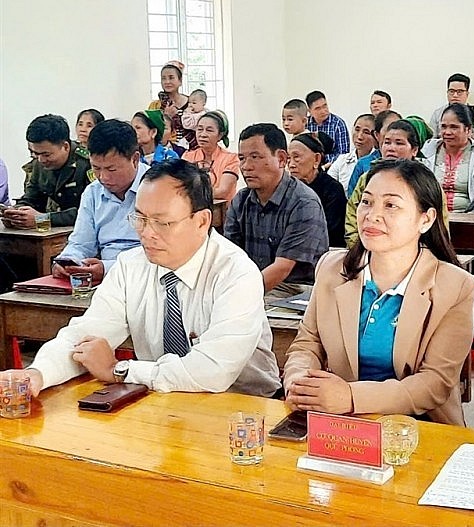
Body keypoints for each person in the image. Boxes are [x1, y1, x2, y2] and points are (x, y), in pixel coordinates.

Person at [4, 160, 281, 398]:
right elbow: (84, 337)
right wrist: (37, 375)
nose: (146, 233)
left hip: (243, 408)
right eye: (140, 219)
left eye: (162, 223)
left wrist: (119, 370)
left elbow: (213, 371)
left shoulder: (236, 273)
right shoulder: (131, 265)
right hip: (159, 400)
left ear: (202, 221)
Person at [283, 159, 474, 425]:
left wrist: (351, 397)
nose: (371, 215)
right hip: (337, 421)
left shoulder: (455, 286)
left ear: (426, 219)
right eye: (367, 202)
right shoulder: (332, 268)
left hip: (418, 426)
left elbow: (434, 383)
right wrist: (299, 382)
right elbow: (308, 344)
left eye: (391, 205)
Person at [225, 123, 328, 297]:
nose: (246, 166)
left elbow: (282, 268)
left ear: (281, 159)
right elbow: (230, 258)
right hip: (252, 283)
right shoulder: (240, 201)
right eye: (242, 158)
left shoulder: (304, 203)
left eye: (255, 157)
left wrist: (239, 296)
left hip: (296, 289)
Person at [52, 119, 147, 283]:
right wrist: (67, 261)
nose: (103, 177)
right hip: (103, 281)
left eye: (112, 169)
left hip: (146, 279)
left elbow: (164, 254)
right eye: (96, 168)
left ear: (135, 159)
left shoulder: (158, 189)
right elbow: (81, 243)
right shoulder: (93, 192)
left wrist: (108, 268)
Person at [344, 119, 443, 248]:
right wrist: (362, 250)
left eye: (399, 143)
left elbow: (439, 228)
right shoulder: (368, 178)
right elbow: (352, 218)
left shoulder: (426, 182)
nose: (391, 148)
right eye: (387, 142)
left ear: (414, 150)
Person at [4, 114, 92, 228]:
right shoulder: (40, 163)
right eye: (35, 153)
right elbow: (32, 198)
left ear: (65, 146)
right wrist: (16, 214)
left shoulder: (88, 164)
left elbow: (89, 213)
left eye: (46, 154)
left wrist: (41, 220)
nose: (40, 160)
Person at [421, 103, 474, 213]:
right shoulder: (429, 150)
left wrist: (469, 222)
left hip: (469, 220)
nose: (447, 132)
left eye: (454, 127)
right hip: (432, 218)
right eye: (443, 126)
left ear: (468, 129)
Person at [288, 133, 346, 247]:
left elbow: (331, 230)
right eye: (288, 158)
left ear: (316, 159)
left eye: (296, 157)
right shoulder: (287, 188)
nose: (291, 164)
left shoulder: (332, 189)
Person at [181, 110, 239, 202]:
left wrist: (192, 193)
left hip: (224, 213)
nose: (203, 135)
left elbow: (222, 191)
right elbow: (180, 187)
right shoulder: (188, 157)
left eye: (209, 130)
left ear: (220, 135)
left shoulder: (231, 159)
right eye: (199, 129)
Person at [346, 110, 402, 196]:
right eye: (389, 129)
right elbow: (352, 201)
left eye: (399, 128)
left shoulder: (414, 166)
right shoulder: (364, 164)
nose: (394, 133)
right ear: (377, 135)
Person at [148, 60, 193, 152]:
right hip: (165, 151)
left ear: (180, 81)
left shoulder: (192, 103)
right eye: (163, 78)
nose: (167, 82)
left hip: (191, 150)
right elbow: (150, 132)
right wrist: (166, 117)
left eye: (171, 77)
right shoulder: (155, 106)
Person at [327, 114, 376, 190]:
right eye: (357, 130)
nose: (359, 136)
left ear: (376, 135)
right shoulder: (342, 160)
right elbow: (328, 186)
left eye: (366, 132)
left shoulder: (378, 161)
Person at [306, 90, 349, 163]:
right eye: (318, 108)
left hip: (333, 166)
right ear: (309, 111)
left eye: (325, 106)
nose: (323, 111)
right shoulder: (306, 124)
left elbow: (343, 154)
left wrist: (321, 159)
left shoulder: (338, 124)